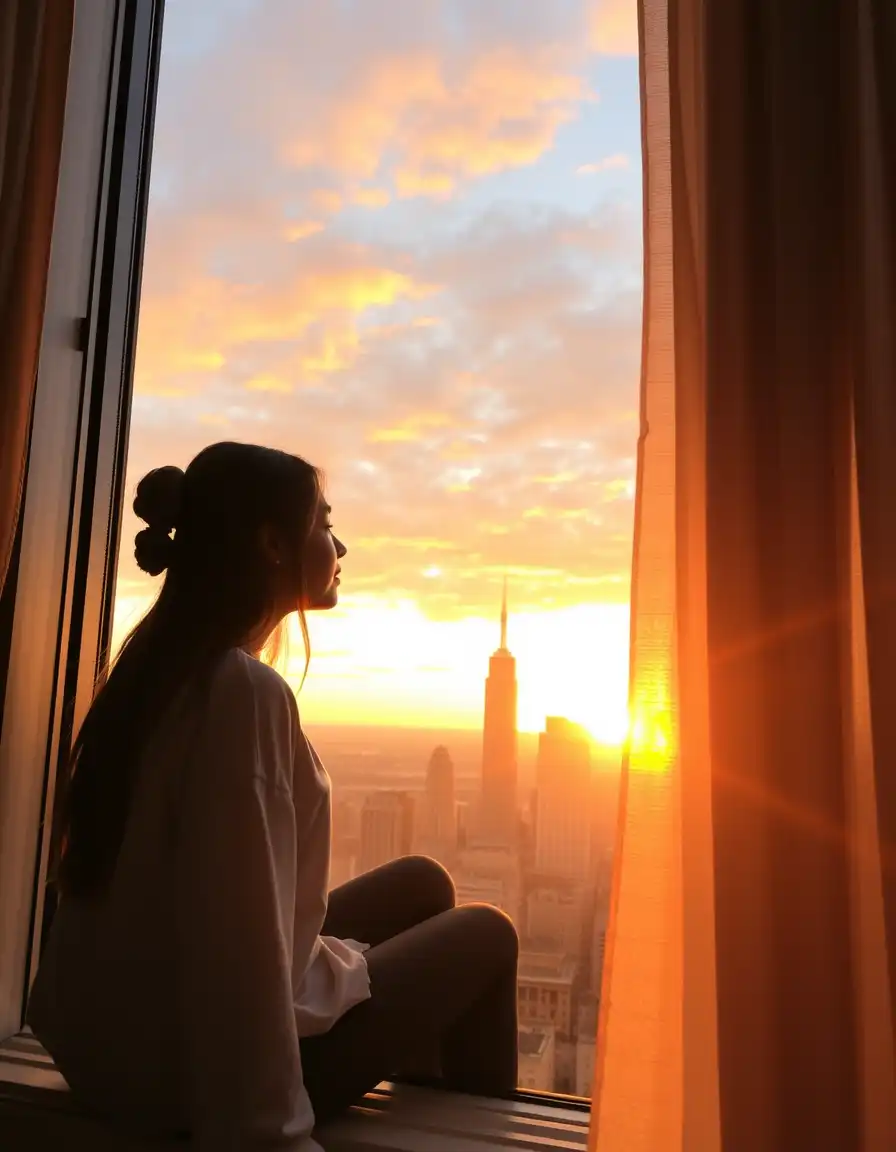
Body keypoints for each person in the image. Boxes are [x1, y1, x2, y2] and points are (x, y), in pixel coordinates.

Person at [27, 442, 519, 1150]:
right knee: (491, 933)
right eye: (323, 523)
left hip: (111, 1042)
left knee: (425, 882)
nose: (339, 543)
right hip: (178, 1076)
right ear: (271, 544)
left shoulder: (160, 669)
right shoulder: (240, 693)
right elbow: (234, 941)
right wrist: (271, 1136)